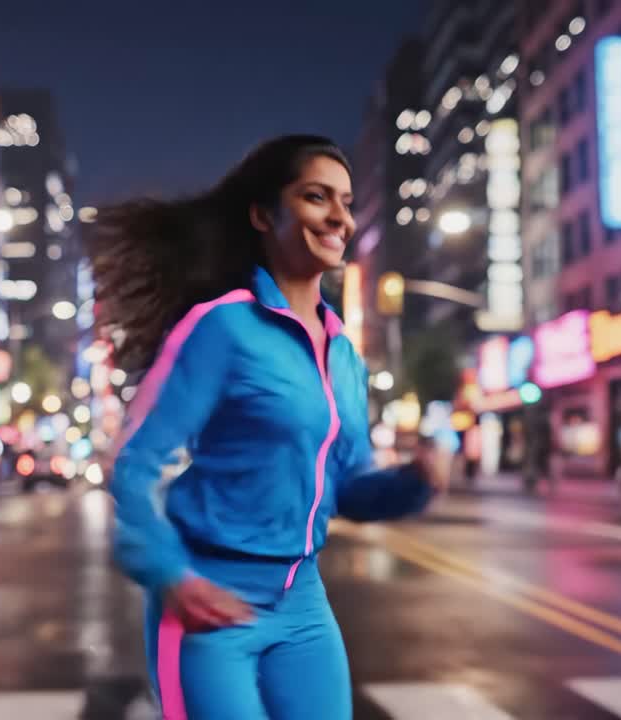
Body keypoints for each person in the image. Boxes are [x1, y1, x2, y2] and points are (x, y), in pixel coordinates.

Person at [87, 135, 446, 720]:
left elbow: (347, 486)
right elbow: (136, 465)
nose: (340, 217)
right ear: (262, 214)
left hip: (303, 606)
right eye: (315, 197)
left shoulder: (345, 358)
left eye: (348, 202)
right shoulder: (220, 328)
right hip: (208, 600)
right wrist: (170, 575)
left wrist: (415, 482)